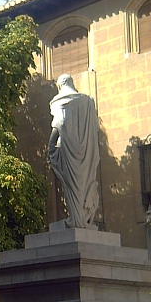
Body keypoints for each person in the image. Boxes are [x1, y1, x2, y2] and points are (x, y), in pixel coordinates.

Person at [48, 74, 100, 230]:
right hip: (87, 153)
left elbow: (59, 124)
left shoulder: (59, 101)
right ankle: (82, 219)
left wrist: (51, 144)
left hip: (68, 150)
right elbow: (94, 128)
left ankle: (76, 220)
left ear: (59, 86)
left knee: (70, 185)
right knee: (84, 182)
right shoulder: (88, 102)